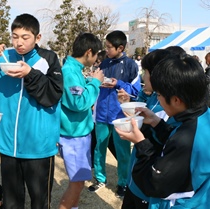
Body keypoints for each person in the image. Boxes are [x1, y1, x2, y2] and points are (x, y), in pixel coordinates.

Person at [0, 13, 63, 209]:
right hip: (8, 144)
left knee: (40, 201)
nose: (19, 42)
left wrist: (30, 74)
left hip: (39, 145)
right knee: (12, 202)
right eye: (15, 36)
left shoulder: (48, 58)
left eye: (25, 37)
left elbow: (53, 95)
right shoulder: (3, 58)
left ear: (37, 38)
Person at [116, 55, 210, 208]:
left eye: (159, 95)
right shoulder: (201, 116)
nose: (157, 99)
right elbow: (178, 147)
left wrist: (141, 143)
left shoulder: (186, 139)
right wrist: (156, 123)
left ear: (176, 100)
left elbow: (153, 184)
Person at [117, 49, 177, 209]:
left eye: (145, 72)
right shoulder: (153, 98)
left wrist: (138, 138)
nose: (143, 76)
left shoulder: (168, 108)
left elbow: (162, 150)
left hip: (147, 189)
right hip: (134, 180)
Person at [89, 30, 141, 197]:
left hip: (120, 115)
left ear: (120, 48)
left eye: (109, 47)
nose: (107, 50)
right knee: (99, 147)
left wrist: (118, 83)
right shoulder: (103, 64)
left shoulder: (131, 65)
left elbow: (136, 91)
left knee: (123, 151)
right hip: (101, 113)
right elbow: (96, 83)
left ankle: (123, 183)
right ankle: (100, 178)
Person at [59, 33, 104, 209]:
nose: (96, 59)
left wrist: (90, 82)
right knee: (77, 182)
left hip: (80, 133)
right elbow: (79, 103)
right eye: (96, 55)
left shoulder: (75, 70)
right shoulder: (69, 72)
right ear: (89, 52)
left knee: (80, 180)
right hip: (73, 136)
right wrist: (95, 83)